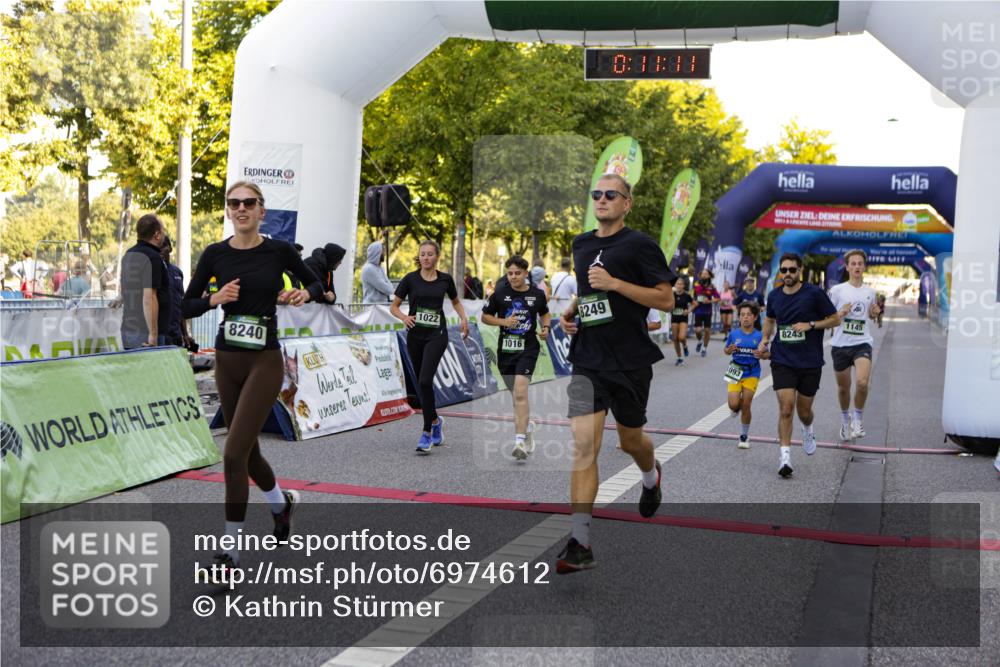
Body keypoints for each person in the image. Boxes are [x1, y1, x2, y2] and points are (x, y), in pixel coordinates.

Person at [183, 181, 322, 578]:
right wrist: (214, 299)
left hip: (264, 360)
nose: (241, 208)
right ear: (228, 211)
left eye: (249, 203)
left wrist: (303, 294)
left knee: (231, 453)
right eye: (234, 203)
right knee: (248, 453)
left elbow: (315, 284)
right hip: (227, 359)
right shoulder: (215, 254)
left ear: (262, 210)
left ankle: (230, 552)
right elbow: (187, 303)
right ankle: (281, 505)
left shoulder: (277, 250)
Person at [555, 173, 676, 574]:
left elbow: (666, 298)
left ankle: (650, 475)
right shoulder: (582, 243)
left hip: (629, 361)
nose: (602, 200)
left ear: (627, 203)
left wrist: (616, 284)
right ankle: (580, 541)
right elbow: (589, 290)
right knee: (583, 446)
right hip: (588, 358)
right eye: (597, 194)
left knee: (630, 442)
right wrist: (571, 312)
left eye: (611, 195)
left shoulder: (640, 245)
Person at [758, 253, 841, 478]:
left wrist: (811, 324)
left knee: (804, 411)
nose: (787, 274)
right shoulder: (774, 295)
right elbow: (770, 319)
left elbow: (835, 319)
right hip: (782, 359)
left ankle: (807, 428)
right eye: (783, 270)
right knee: (786, 408)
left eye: (792, 270)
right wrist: (765, 340)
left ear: (800, 271)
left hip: (809, 361)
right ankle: (785, 457)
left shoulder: (814, 293)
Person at [390, 240, 469, 453]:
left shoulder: (445, 279)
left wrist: (463, 319)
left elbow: (455, 301)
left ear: (437, 257)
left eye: (429, 254)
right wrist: (404, 318)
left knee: (425, 379)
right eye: (422, 254)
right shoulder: (410, 279)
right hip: (415, 335)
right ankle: (435, 421)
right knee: (422, 384)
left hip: (437, 335)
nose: (425, 257)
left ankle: (426, 433)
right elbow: (394, 306)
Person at [480, 256, 551, 460]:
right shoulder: (500, 293)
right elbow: (485, 317)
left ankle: (519, 440)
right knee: (516, 396)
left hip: (528, 348)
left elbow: (545, 314)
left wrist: (545, 328)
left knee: (520, 391)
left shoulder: (536, 294)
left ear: (526, 274)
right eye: (510, 273)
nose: (513, 277)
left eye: (517, 273)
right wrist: (504, 321)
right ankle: (527, 427)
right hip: (506, 350)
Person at [828, 250, 882, 442]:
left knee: (862, 382)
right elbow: (828, 318)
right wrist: (840, 313)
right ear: (848, 266)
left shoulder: (870, 292)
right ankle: (845, 420)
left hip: (862, 343)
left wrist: (875, 313)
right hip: (841, 345)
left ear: (864, 266)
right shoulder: (837, 291)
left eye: (860, 263)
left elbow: (871, 315)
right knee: (844, 389)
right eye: (854, 263)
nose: (857, 266)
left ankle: (857, 419)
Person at [120, 214, 170, 349]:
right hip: (145, 333)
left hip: (128, 328)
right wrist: (153, 334)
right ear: (157, 234)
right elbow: (149, 297)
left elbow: (124, 287)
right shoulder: (152, 257)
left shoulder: (128, 255)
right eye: (163, 231)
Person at [725, 303, 767, 448]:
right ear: (739, 318)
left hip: (752, 372)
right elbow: (726, 350)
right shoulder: (733, 334)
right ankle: (736, 407)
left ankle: (744, 436)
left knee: (746, 404)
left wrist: (762, 354)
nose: (745, 318)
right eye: (742, 315)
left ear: (755, 317)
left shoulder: (759, 336)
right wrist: (729, 350)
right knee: (733, 404)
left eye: (749, 315)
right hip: (734, 370)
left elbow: (768, 354)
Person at [159, 236, 194, 349]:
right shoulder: (154, 272)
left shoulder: (177, 272)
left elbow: (180, 304)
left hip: (177, 334)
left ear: (170, 248)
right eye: (157, 247)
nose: (160, 250)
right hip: (161, 335)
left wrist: (185, 334)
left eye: (163, 246)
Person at [692, 269, 719, 357]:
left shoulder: (712, 286)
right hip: (698, 310)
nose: (704, 275)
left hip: (707, 311)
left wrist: (710, 301)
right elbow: (692, 296)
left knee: (707, 330)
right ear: (700, 275)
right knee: (698, 330)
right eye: (702, 273)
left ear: (709, 276)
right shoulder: (696, 284)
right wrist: (693, 301)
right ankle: (700, 341)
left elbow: (717, 298)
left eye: (706, 274)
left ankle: (704, 348)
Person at [670, 277, 694, 365]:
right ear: (675, 285)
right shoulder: (672, 294)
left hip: (683, 318)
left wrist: (689, 310)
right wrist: (669, 308)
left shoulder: (687, 295)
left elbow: (694, 304)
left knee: (681, 337)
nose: (679, 285)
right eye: (677, 284)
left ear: (683, 285)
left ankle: (685, 345)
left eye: (680, 284)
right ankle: (679, 358)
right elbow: (668, 304)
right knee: (675, 339)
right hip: (674, 317)